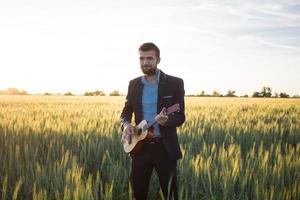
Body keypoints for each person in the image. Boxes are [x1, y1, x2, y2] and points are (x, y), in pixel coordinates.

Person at [120, 42, 185, 200]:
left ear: (158, 59)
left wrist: (166, 121)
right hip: (139, 148)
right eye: (142, 58)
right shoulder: (134, 84)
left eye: (149, 58)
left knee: (171, 194)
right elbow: (125, 113)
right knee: (139, 193)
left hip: (165, 148)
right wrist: (126, 125)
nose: (145, 62)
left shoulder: (174, 83)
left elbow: (180, 116)